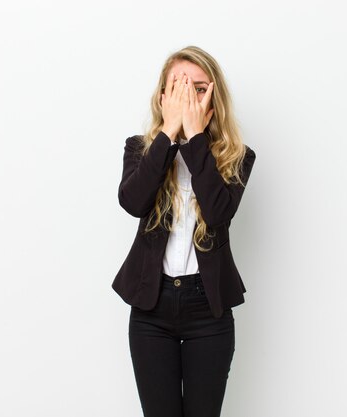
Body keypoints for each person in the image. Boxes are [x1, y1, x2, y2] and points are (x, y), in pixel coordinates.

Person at [112, 45, 257, 417]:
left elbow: (219, 212)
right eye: (177, 88)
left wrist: (195, 139)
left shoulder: (237, 157)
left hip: (207, 310)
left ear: (213, 99)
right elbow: (133, 202)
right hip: (151, 308)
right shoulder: (139, 149)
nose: (186, 98)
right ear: (163, 97)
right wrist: (167, 136)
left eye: (197, 89)